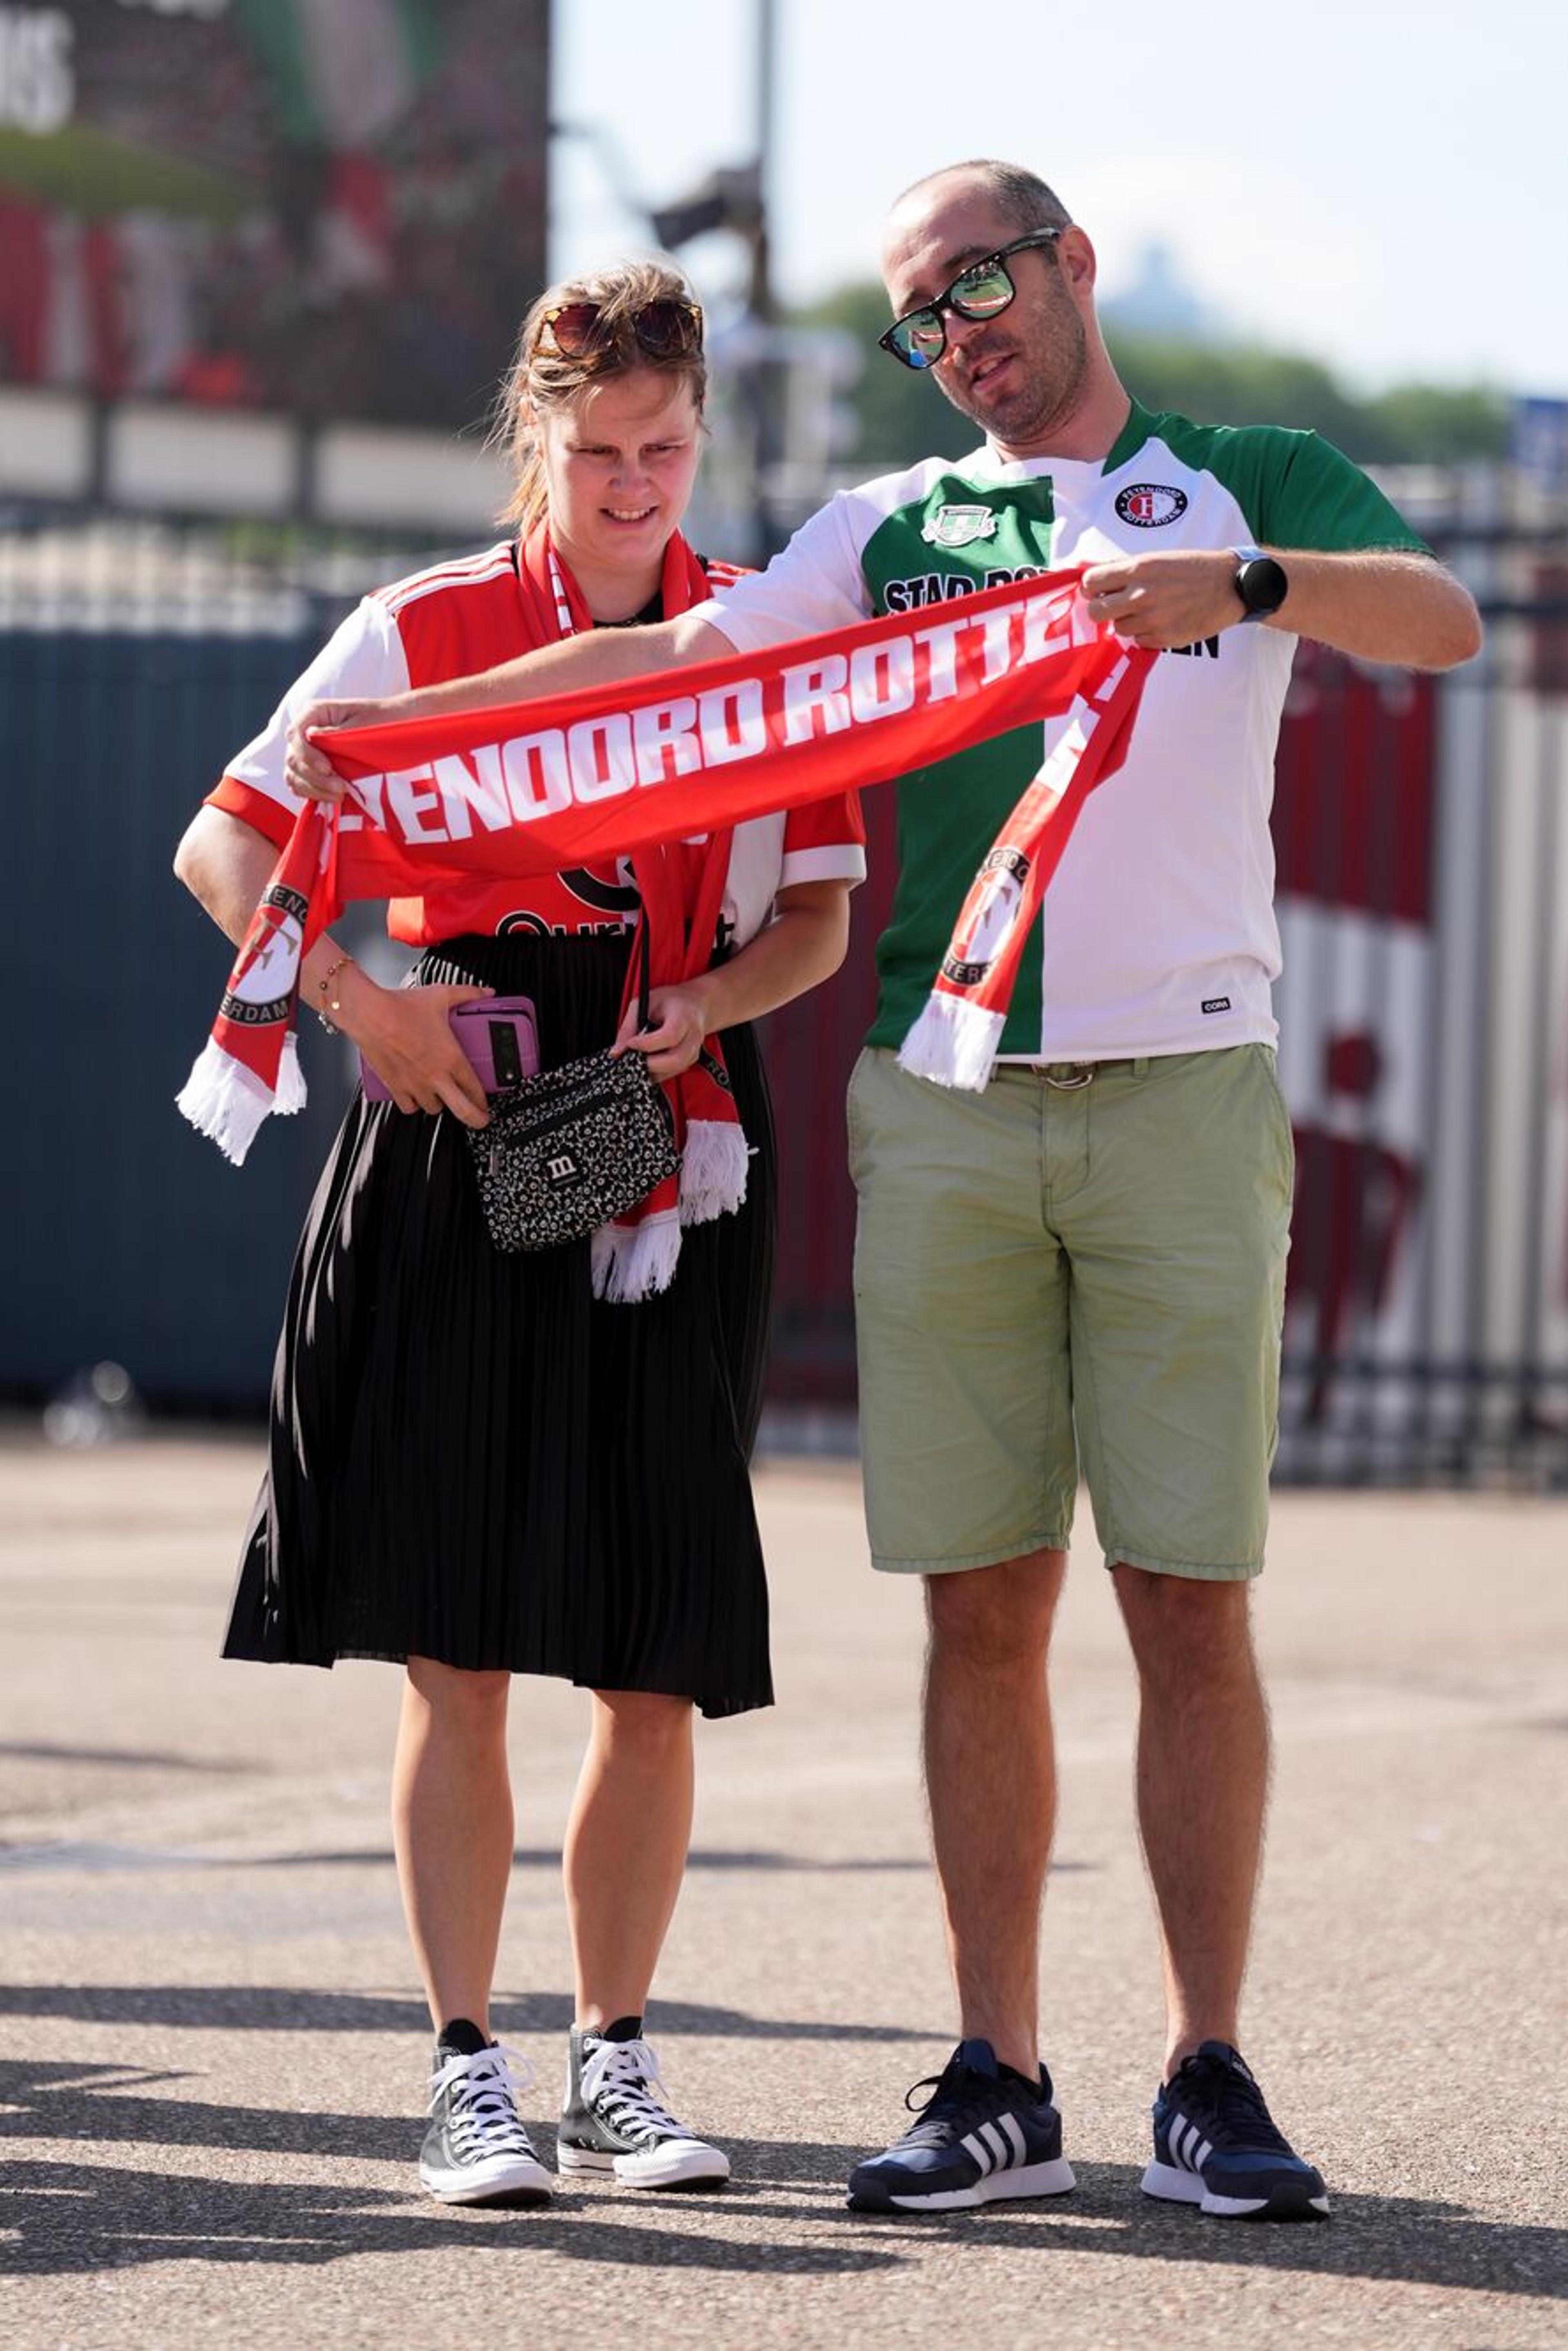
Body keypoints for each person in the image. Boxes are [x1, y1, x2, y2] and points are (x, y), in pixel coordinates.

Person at [284, 164, 1482, 2224]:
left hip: (1189, 1088)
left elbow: (1444, 621)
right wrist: (410, 734)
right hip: (947, 1101)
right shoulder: (893, 531)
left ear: (1071, 263)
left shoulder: (1250, 475)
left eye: (980, 288)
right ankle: (999, 2073)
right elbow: (672, 668)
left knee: (1190, 1598)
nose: (957, 336)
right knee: (979, 1608)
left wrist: (1250, 584)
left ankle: (1207, 2070)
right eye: (921, 318)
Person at [173, 258, 864, 2209]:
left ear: (704, 431)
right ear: (537, 439)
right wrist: (360, 999)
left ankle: (617, 2068)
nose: (637, 485)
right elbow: (225, 842)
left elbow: (816, 920)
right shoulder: (425, 625)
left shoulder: (765, 633)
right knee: (458, 1642)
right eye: (603, 452)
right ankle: (465, 2071)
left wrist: (713, 1003)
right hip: (456, 1114)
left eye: (668, 447)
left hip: (672, 1129)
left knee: (652, 1649)